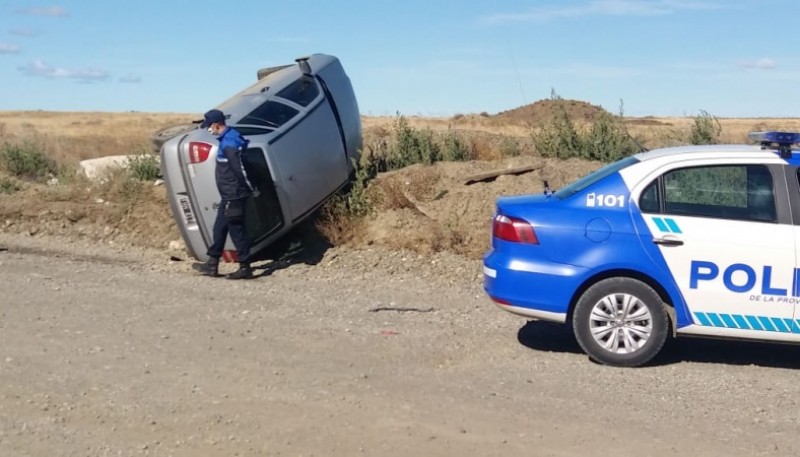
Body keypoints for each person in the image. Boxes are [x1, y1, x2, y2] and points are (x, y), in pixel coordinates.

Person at [192, 109, 254, 280]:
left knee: (236, 230)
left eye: (208, 127)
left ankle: (245, 267)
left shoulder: (229, 144)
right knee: (220, 228)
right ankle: (212, 265)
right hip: (229, 195)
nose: (208, 130)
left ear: (215, 125)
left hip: (234, 194)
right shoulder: (231, 136)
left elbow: (239, 169)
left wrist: (248, 188)